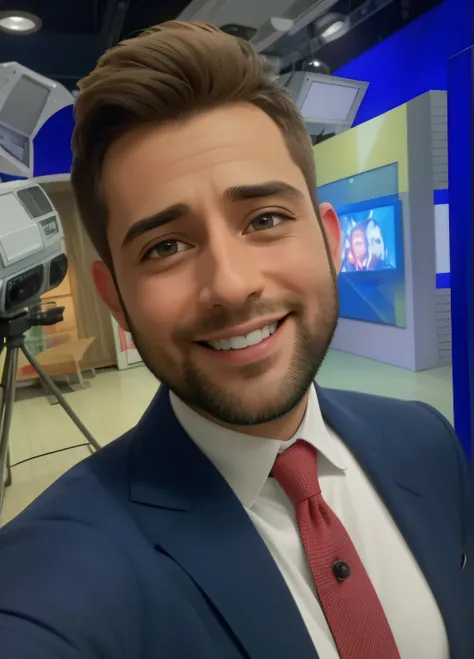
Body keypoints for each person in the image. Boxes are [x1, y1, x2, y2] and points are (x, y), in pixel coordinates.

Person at [0, 21, 472, 659]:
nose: (230, 284)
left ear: (330, 241)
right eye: (166, 246)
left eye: (266, 219)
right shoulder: (52, 573)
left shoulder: (428, 442)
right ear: (115, 298)